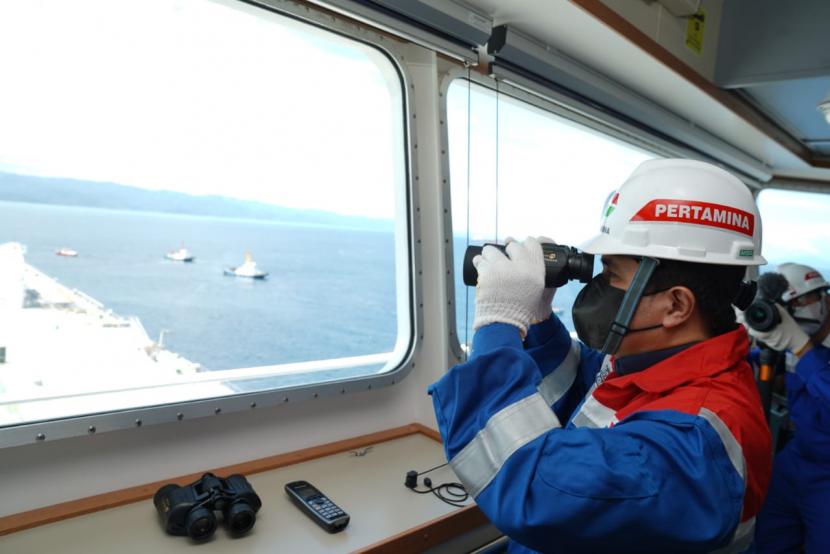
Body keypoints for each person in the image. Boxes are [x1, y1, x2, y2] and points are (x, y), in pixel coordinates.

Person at [429, 159, 772, 553]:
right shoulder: (654, 367)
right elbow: (582, 398)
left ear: (676, 306)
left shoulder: (694, 444)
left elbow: (536, 490)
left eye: (612, 276)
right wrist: (537, 320)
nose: (598, 288)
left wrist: (497, 323)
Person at [748, 263, 830, 553]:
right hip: (794, 459)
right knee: (768, 538)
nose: (793, 313)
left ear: (825, 298)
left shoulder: (803, 346)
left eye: (799, 302)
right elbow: (753, 361)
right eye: (786, 306)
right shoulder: (795, 343)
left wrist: (803, 349)